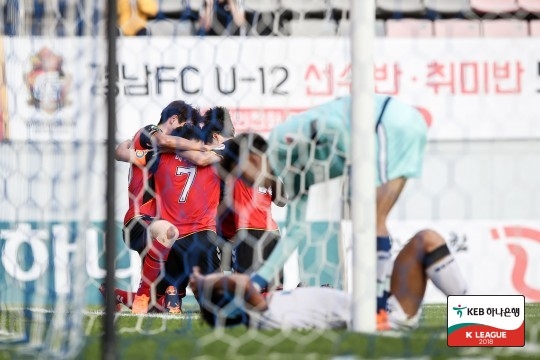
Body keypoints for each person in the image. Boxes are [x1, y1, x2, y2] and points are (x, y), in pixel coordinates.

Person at [219, 94, 428, 310]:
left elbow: (334, 126)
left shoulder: (282, 137)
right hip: (404, 125)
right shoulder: (291, 174)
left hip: (386, 123)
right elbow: (295, 231)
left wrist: (355, 171)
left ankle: (379, 306)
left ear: (251, 159)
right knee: (375, 221)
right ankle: (394, 307)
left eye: (244, 177)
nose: (249, 185)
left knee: (370, 219)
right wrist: (258, 280)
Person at [190, 228, 467, 330]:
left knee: (419, 240)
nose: (234, 275)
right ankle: (480, 323)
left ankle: (479, 321)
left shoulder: (270, 304)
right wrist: (202, 285)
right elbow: (242, 286)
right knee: (426, 240)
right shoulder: (263, 315)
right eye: (225, 280)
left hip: (375, 308)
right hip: (384, 317)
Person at [116, 100, 211, 314]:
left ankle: (117, 294)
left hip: (156, 225)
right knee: (170, 231)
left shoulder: (158, 153)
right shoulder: (151, 132)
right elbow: (165, 140)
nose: (184, 135)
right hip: (139, 220)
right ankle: (142, 295)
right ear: (173, 120)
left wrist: (122, 148)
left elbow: (122, 152)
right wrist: (203, 147)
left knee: (156, 303)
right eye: (183, 126)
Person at [202, 107, 287, 276]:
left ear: (215, 136)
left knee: (246, 292)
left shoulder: (223, 151)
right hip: (272, 232)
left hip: (244, 232)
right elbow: (282, 201)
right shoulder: (260, 155)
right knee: (272, 291)